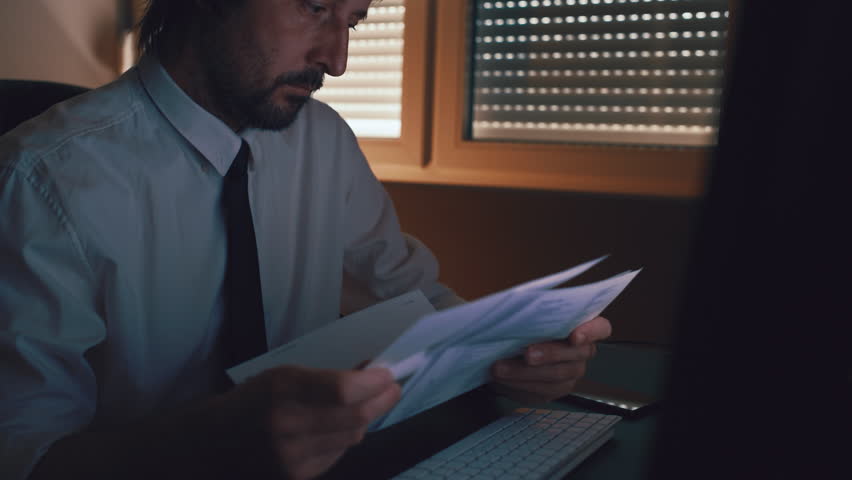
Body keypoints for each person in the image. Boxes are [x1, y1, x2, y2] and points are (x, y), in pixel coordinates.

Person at [0, 1, 612, 479]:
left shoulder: (324, 141)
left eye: (354, 21)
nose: (337, 59)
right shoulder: (40, 179)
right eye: (315, 8)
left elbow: (415, 295)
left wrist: (509, 360)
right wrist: (211, 439)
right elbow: (24, 458)